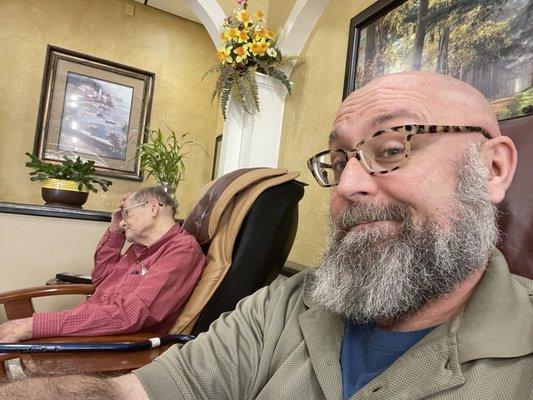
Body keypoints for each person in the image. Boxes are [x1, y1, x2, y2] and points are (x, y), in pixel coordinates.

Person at [1, 71, 531, 399]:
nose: (346, 185)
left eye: (391, 149)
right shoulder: (288, 304)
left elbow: (126, 315)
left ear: (492, 169)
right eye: (340, 160)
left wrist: (30, 328)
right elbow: (135, 393)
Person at [0, 186, 206, 342]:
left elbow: (130, 316)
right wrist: (115, 231)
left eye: (126, 213)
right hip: (89, 325)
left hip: (112, 342)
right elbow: (102, 280)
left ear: (152, 207)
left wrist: (32, 326)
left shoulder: (181, 251)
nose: (123, 221)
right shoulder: (140, 248)